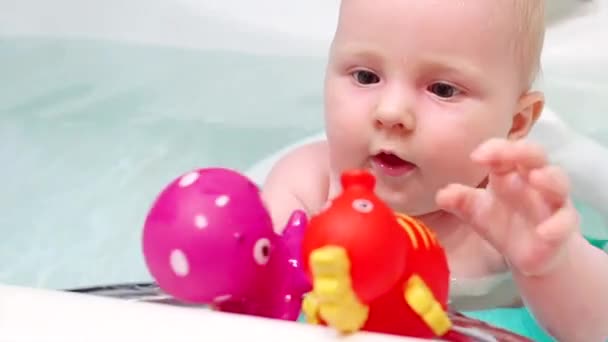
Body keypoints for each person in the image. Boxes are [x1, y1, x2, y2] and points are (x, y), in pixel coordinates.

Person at [261, 1, 608, 340]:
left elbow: (597, 328)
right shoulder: (309, 185)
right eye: (366, 76)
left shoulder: (508, 218)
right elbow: (249, 296)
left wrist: (552, 266)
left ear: (515, 123)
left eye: (442, 89)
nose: (392, 111)